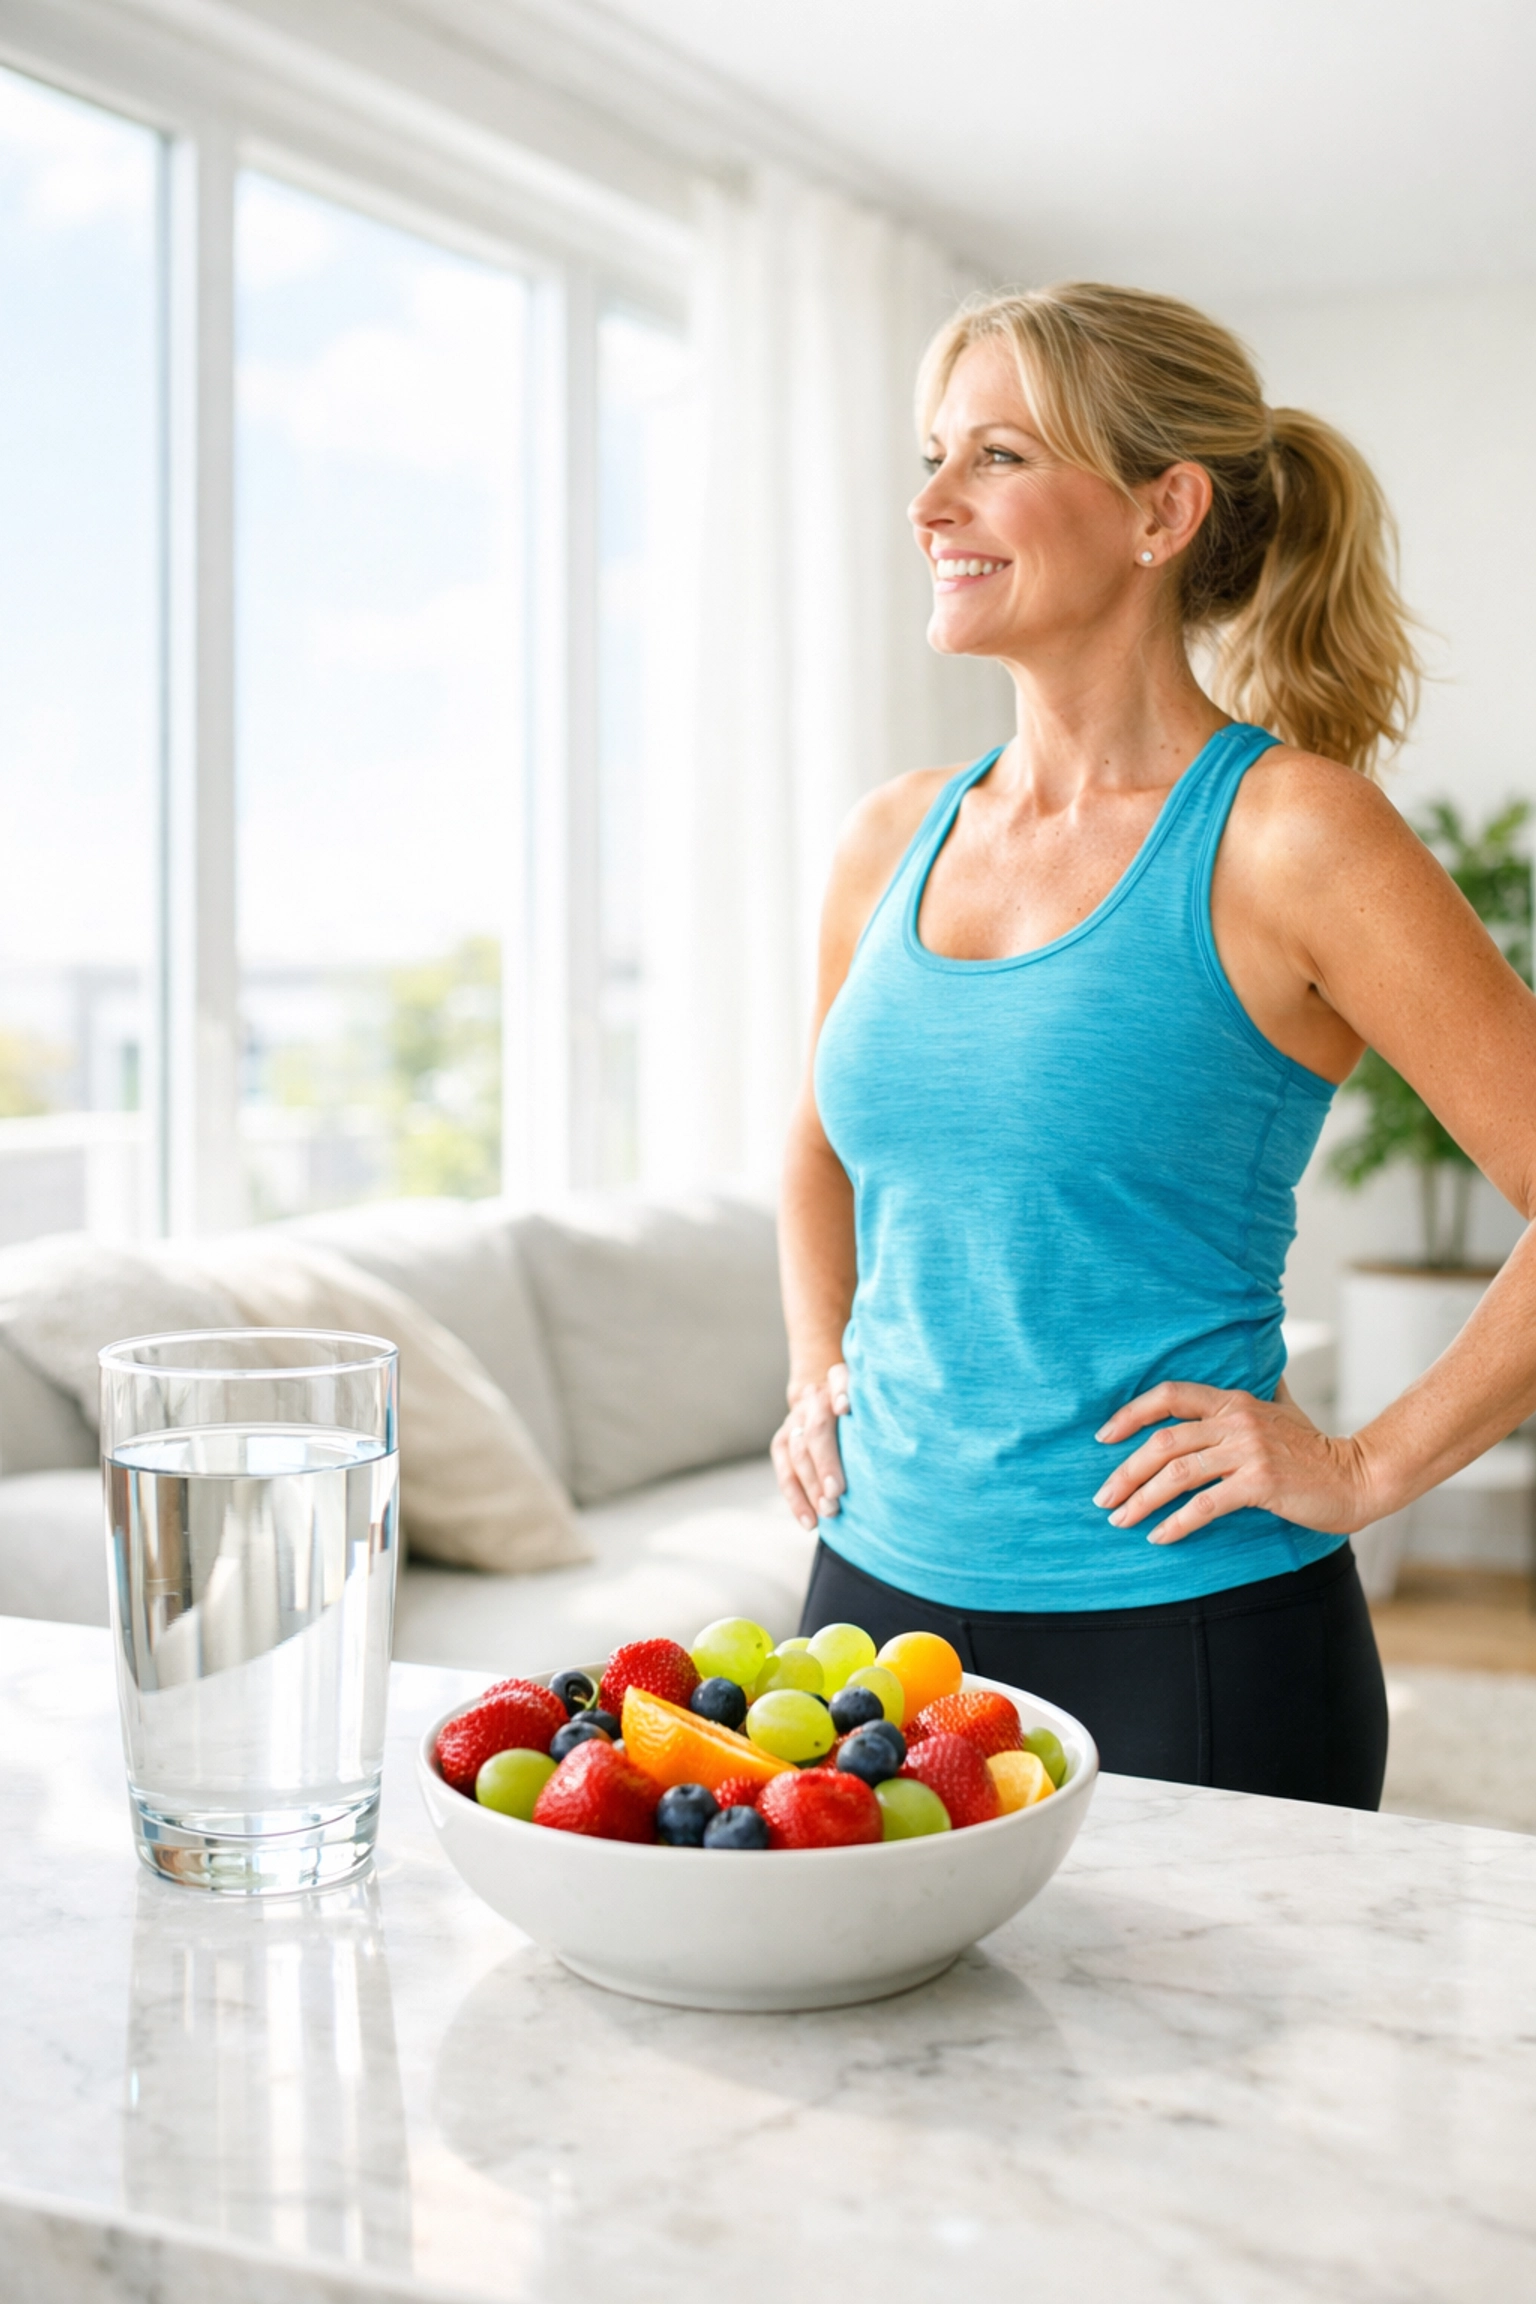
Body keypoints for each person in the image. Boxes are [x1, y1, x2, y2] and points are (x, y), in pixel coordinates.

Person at [774, 282, 1536, 1808]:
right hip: (872, 1613)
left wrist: (1367, 1467)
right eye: (932, 456)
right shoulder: (889, 836)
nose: (931, 504)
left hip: (1189, 1631)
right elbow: (818, 1148)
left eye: (993, 455)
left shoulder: (1292, 836)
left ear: (1160, 509)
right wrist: (815, 1368)